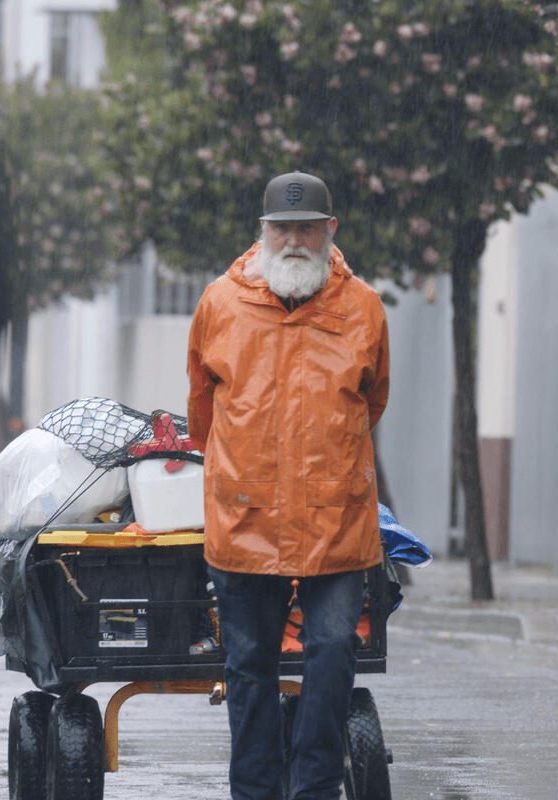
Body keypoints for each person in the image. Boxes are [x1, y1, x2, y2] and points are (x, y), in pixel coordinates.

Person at [187, 171, 390, 800]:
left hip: (337, 519)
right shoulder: (219, 304)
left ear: (330, 231)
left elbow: (372, 402)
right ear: (263, 233)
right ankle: (253, 791)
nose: (294, 241)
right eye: (283, 229)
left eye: (307, 228)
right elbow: (201, 413)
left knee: (332, 654)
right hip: (245, 519)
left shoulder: (364, 308)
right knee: (249, 666)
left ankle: (314, 789)